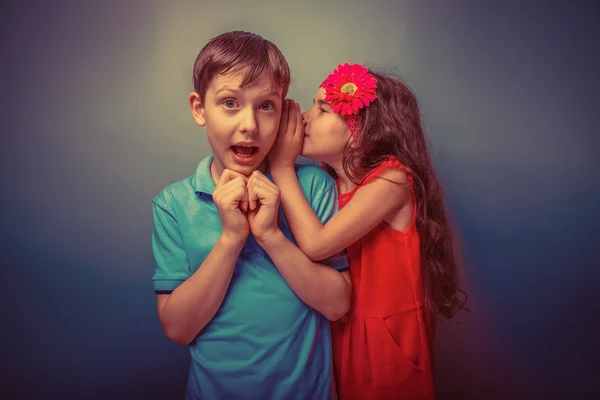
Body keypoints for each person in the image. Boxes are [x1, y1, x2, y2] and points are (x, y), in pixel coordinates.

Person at [151, 32, 351, 400]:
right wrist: (230, 239)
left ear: (283, 110)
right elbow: (177, 329)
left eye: (266, 106)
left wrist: (272, 237)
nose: (250, 125)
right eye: (230, 103)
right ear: (199, 108)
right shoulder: (173, 204)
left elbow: (338, 305)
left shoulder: (313, 188)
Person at [269, 62, 468, 399]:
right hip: (342, 329)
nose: (304, 117)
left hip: (386, 338)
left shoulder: (392, 180)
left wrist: (282, 168)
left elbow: (317, 246)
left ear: (359, 127)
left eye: (322, 109)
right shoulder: (326, 186)